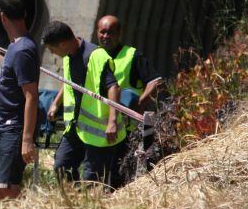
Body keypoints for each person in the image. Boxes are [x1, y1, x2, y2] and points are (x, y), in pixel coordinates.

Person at [43, 21, 122, 186]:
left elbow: (113, 87)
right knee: (61, 166)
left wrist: (112, 121)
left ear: (63, 44)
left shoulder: (96, 55)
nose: (52, 53)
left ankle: (89, 203)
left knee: (91, 178)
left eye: (52, 49)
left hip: (100, 131)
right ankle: (75, 200)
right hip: (76, 126)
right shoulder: (67, 56)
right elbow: (69, 83)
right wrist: (56, 103)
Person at [0, 0, 39, 200]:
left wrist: (27, 139)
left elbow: (31, 96)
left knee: (9, 188)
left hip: (13, 128)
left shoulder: (23, 50)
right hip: (0, 125)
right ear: (24, 14)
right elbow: (8, 68)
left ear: (2, 17)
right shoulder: (15, 46)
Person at [97, 15, 161, 186]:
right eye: (102, 32)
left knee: (118, 171)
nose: (106, 36)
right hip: (98, 125)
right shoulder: (94, 56)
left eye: (110, 33)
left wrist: (141, 100)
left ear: (119, 34)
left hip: (124, 126)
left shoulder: (131, 55)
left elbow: (154, 80)